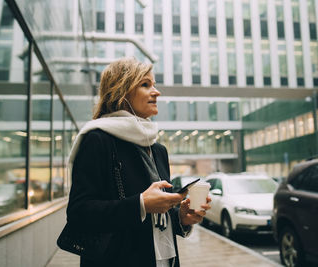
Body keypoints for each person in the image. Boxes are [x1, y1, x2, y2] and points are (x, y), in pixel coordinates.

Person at [66, 57, 211, 267]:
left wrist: (181, 217)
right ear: (121, 92)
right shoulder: (98, 140)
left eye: (154, 84)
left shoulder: (158, 150)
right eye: (145, 84)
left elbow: (158, 215)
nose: (156, 91)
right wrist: (141, 204)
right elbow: (79, 213)